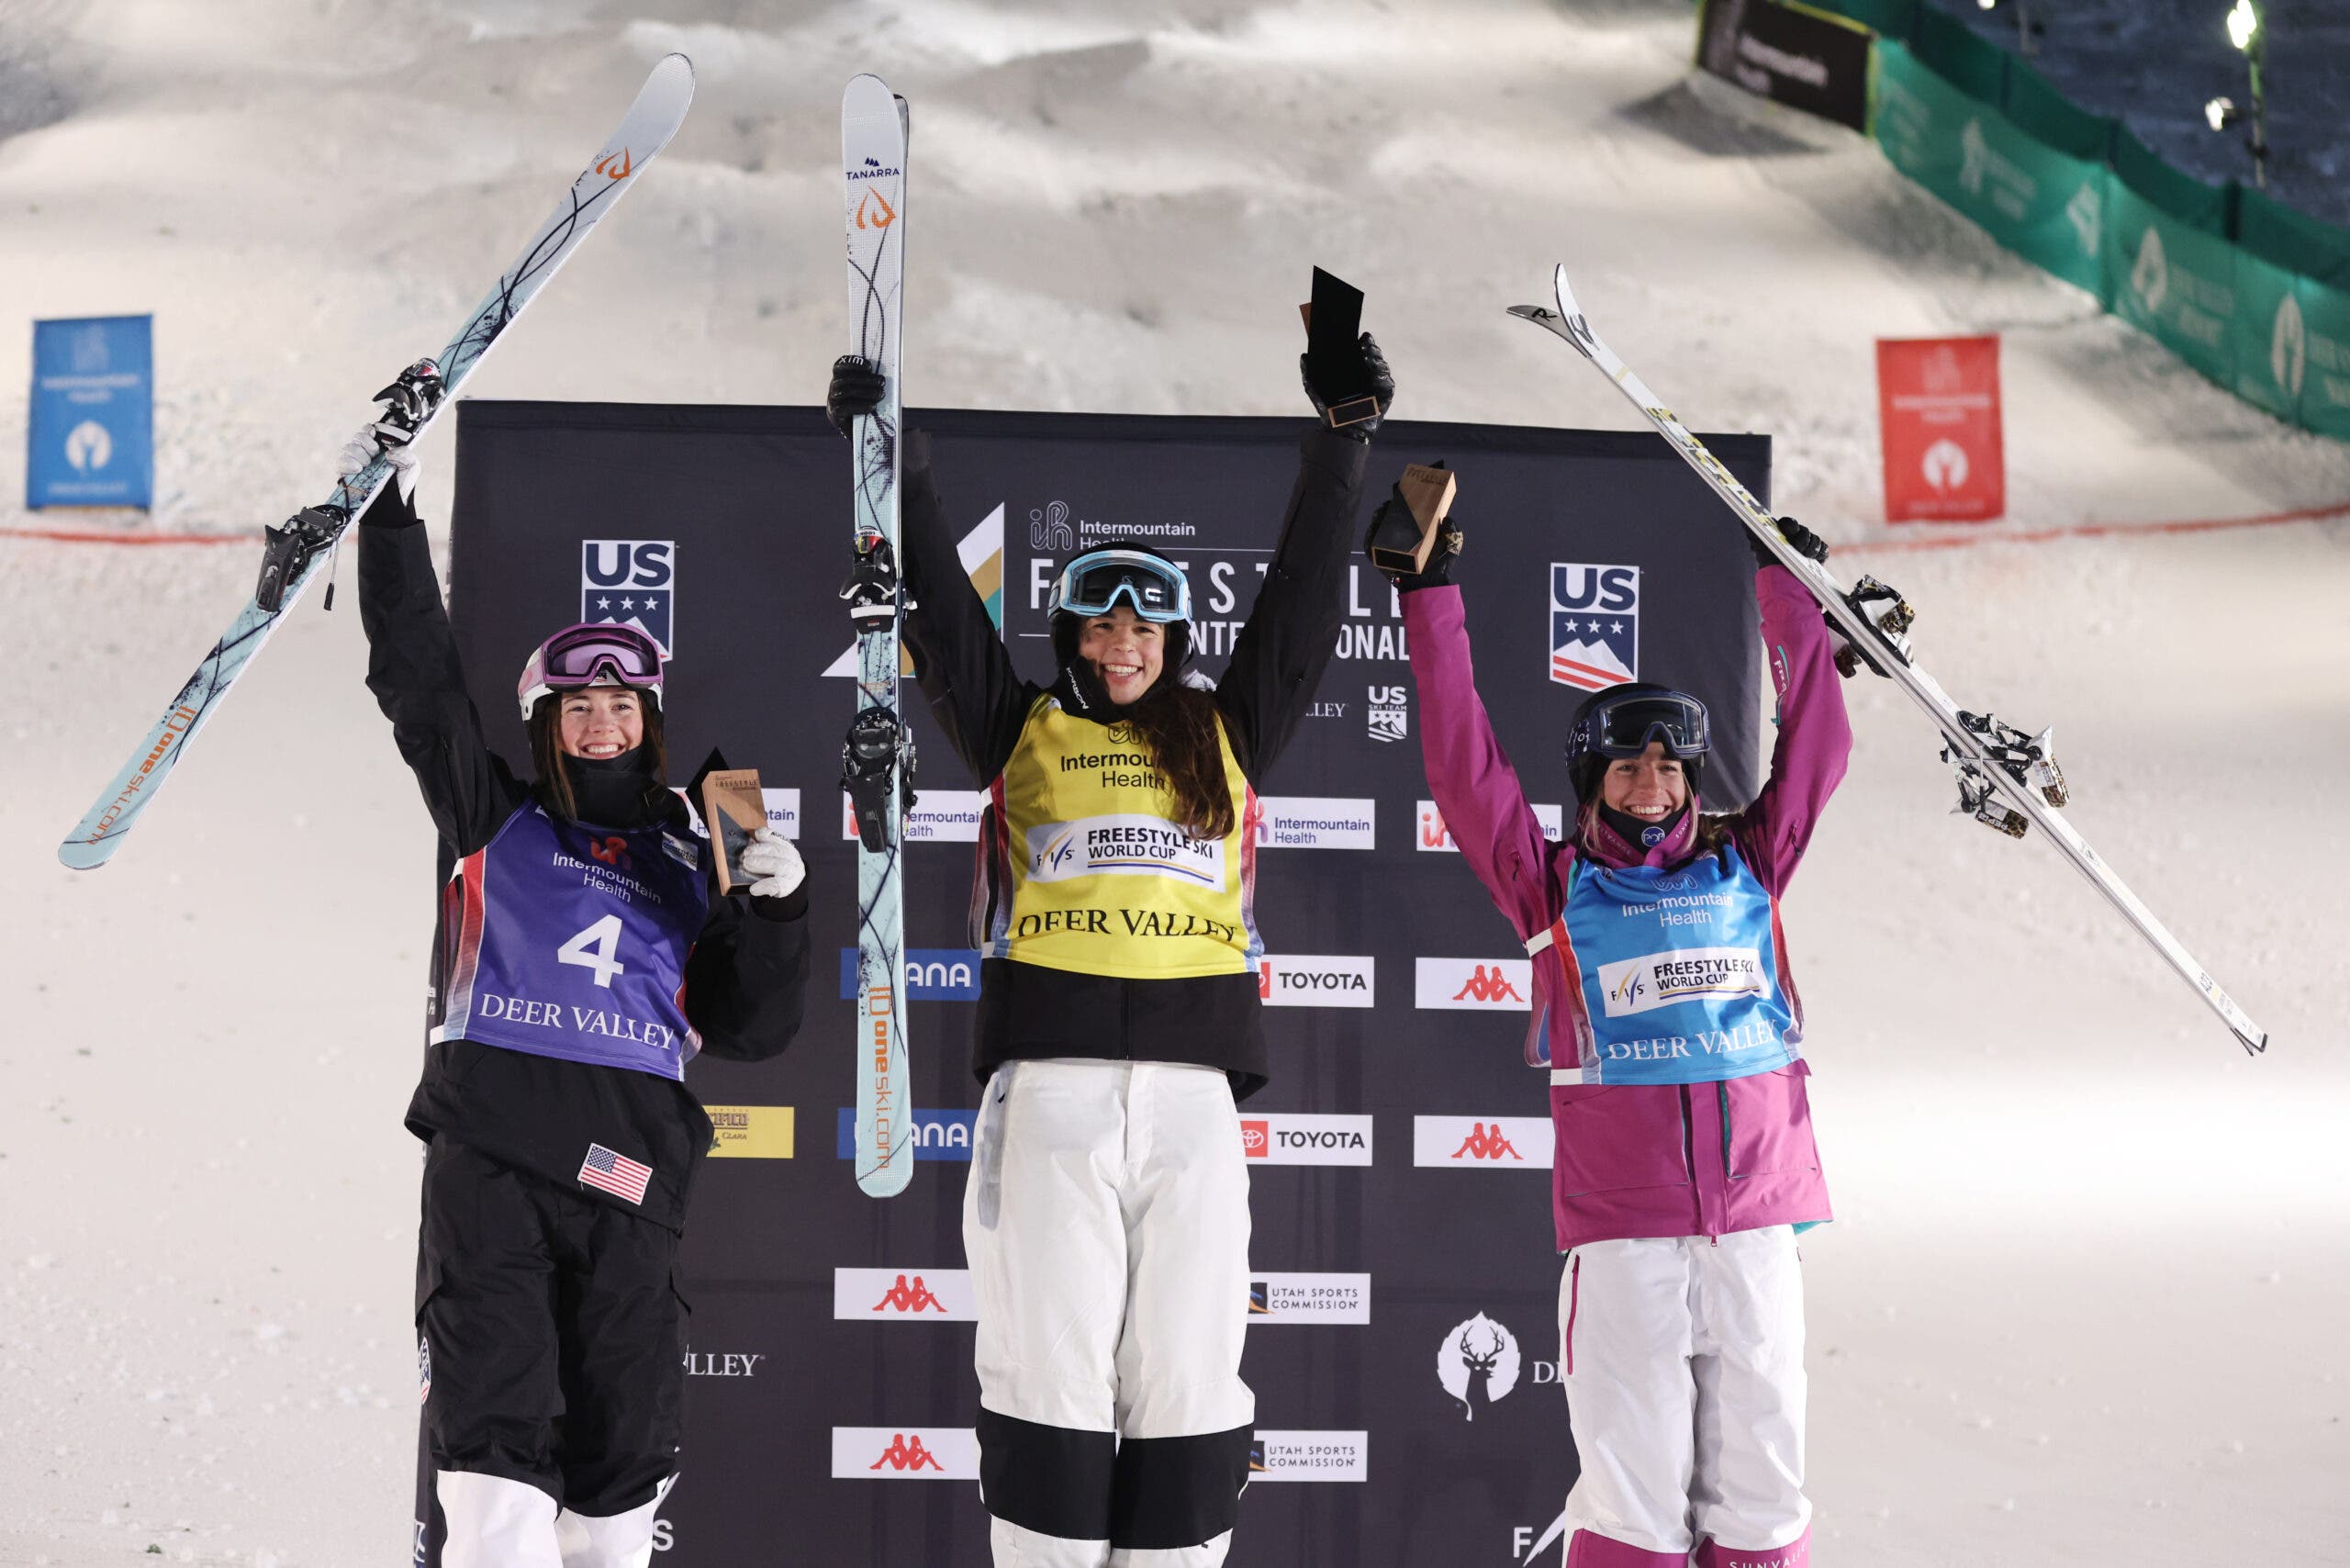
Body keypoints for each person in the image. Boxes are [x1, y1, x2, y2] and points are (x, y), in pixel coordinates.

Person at [825, 331, 1392, 1567]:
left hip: (1192, 1101)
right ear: (1070, 636)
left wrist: (1342, 443)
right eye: (1099, 625)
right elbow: (942, 613)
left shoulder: (1228, 733)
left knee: (1188, 1377)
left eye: (1145, 627)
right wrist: (893, 462)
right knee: (1050, 1371)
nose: (1122, 644)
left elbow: (1301, 604)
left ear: (1173, 641)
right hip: (1054, 1091)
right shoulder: (1017, 727)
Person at [349, 423, 813, 1568]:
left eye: (621, 705)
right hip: (495, 1159)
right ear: (543, 723)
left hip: (628, 1173)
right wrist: (389, 515)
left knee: (622, 1456)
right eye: (576, 706)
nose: (602, 722)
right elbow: (419, 682)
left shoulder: (702, 836)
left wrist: (779, 913)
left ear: (649, 719)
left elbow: (752, 1030)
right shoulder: (492, 814)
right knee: (494, 1443)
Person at [1387, 505, 1849, 1568]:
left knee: (1764, 1489)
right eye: (1628, 767)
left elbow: (1818, 748)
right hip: (1626, 1228)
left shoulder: (1751, 865)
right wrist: (1428, 594)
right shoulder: (1551, 887)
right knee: (1634, 1492)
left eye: (1670, 766)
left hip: (1757, 1217)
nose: (1652, 783)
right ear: (1592, 781)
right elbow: (1462, 767)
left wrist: (1785, 592)